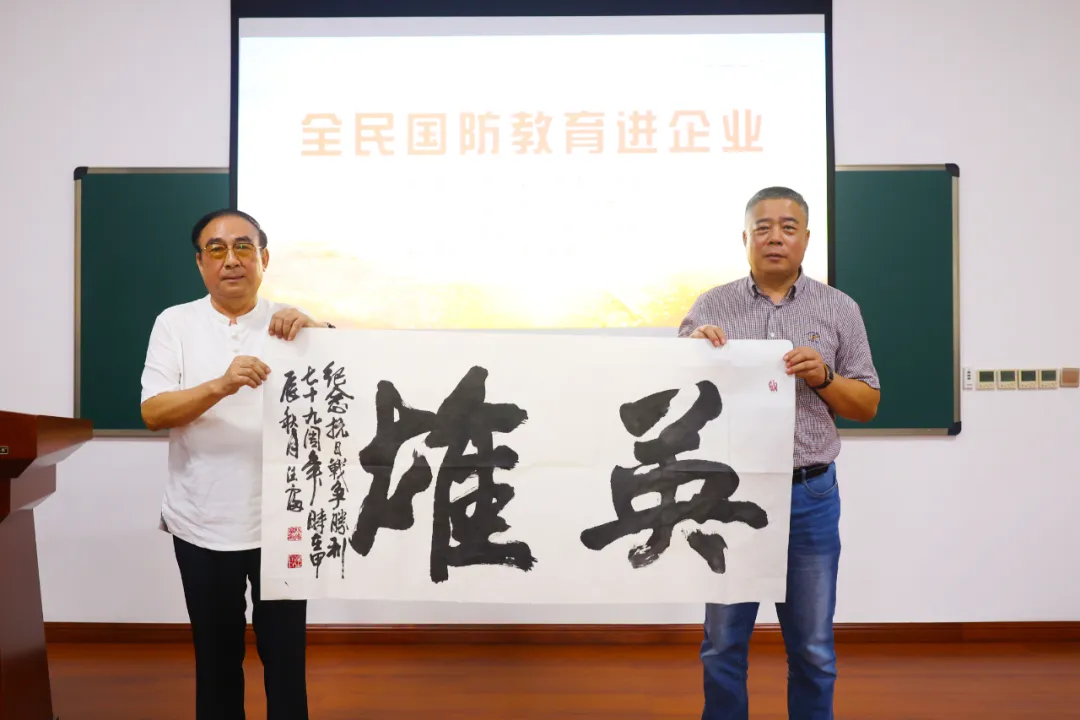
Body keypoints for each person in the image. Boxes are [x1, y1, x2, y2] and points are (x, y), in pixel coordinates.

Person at [678, 186, 881, 720]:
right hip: (729, 495)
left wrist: (824, 376)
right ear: (745, 238)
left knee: (813, 649)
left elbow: (867, 404)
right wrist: (692, 354)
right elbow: (672, 395)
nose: (775, 237)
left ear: (806, 239)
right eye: (763, 228)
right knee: (722, 644)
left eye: (788, 228)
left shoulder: (839, 308)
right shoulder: (711, 306)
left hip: (809, 495)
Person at [140, 209, 331, 720]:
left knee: (286, 660)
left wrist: (320, 335)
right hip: (200, 522)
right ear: (200, 263)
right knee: (217, 660)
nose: (232, 260)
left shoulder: (292, 322)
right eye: (217, 249)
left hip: (282, 523)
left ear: (264, 258)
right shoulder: (175, 323)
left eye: (244, 247)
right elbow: (153, 412)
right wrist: (221, 385)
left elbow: (348, 390)